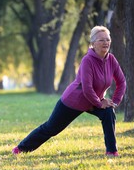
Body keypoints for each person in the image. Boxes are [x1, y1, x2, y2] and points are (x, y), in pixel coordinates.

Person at [12, 26, 126, 157]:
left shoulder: (111, 59)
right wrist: (100, 103)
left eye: (107, 39)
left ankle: (111, 151)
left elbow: (121, 82)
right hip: (75, 100)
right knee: (51, 128)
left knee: (108, 113)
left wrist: (114, 102)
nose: (106, 42)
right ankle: (20, 148)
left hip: (94, 100)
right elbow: (87, 88)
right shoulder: (87, 60)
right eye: (101, 40)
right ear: (93, 43)